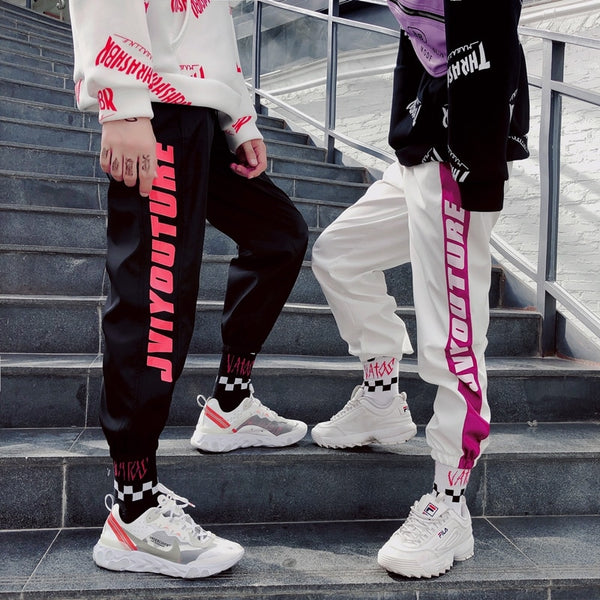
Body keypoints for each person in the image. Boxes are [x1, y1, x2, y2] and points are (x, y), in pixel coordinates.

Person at [69, 0, 309, 579]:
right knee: (156, 302)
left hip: (203, 107)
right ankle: (134, 511)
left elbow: (213, 21)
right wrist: (123, 103)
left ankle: (230, 402)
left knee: (279, 235)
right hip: (154, 103)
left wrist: (239, 118)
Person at [311, 0, 530, 578]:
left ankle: (450, 504)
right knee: (337, 255)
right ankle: (382, 396)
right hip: (421, 142)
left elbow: (491, 33)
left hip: (462, 149)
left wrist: (473, 162)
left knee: (452, 342)